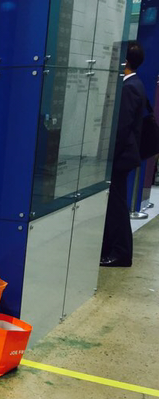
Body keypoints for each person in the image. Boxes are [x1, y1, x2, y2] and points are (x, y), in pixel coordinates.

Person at [101, 41, 148, 267]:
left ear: (125, 61)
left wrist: (109, 155)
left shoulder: (129, 87)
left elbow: (122, 127)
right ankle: (112, 248)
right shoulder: (135, 84)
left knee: (117, 207)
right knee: (115, 204)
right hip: (125, 156)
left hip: (121, 158)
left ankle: (120, 253)